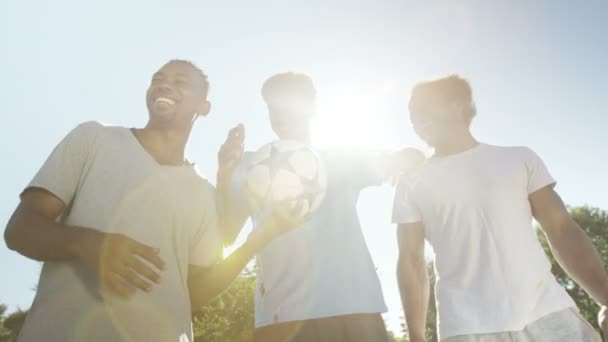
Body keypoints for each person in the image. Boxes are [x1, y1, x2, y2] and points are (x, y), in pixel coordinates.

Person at [4, 59, 292, 342]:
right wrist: (85, 242)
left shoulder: (203, 195)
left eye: (180, 82)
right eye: (158, 79)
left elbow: (193, 294)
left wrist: (257, 240)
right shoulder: (93, 139)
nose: (164, 84)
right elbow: (20, 230)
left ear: (203, 107)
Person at [393, 75, 608, 341]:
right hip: (466, 328)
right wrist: (416, 335)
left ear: (457, 105)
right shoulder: (411, 183)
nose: (414, 118)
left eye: (423, 106)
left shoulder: (518, 158)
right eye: (411, 112)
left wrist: (606, 299)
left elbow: (561, 229)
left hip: (549, 315)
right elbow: (410, 259)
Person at [217, 72, 418, 342]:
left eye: (289, 104)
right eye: (273, 107)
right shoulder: (251, 164)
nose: (281, 114)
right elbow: (227, 233)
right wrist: (223, 174)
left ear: (311, 107)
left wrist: (409, 157)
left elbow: (398, 160)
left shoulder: (341, 159)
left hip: (355, 311)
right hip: (281, 316)